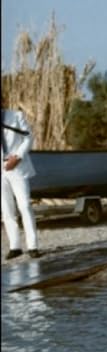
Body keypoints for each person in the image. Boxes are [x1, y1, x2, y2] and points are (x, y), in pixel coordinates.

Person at [2, 103, 40, 260]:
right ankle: (15, 246)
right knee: (6, 209)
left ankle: (33, 246)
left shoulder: (16, 115)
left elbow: (29, 137)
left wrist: (17, 157)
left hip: (17, 167)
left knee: (24, 205)